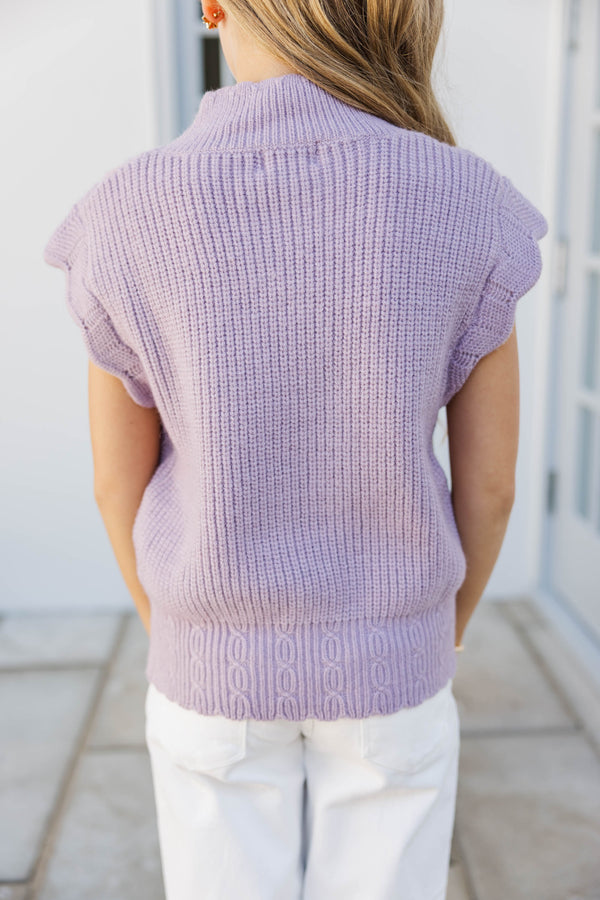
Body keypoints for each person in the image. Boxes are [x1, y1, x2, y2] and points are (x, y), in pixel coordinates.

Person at [43, 0, 548, 896]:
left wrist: (181, 631)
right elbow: (494, 485)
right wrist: (440, 630)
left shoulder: (125, 213)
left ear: (212, 7)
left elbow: (114, 484)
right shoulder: (467, 201)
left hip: (208, 669)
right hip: (396, 664)